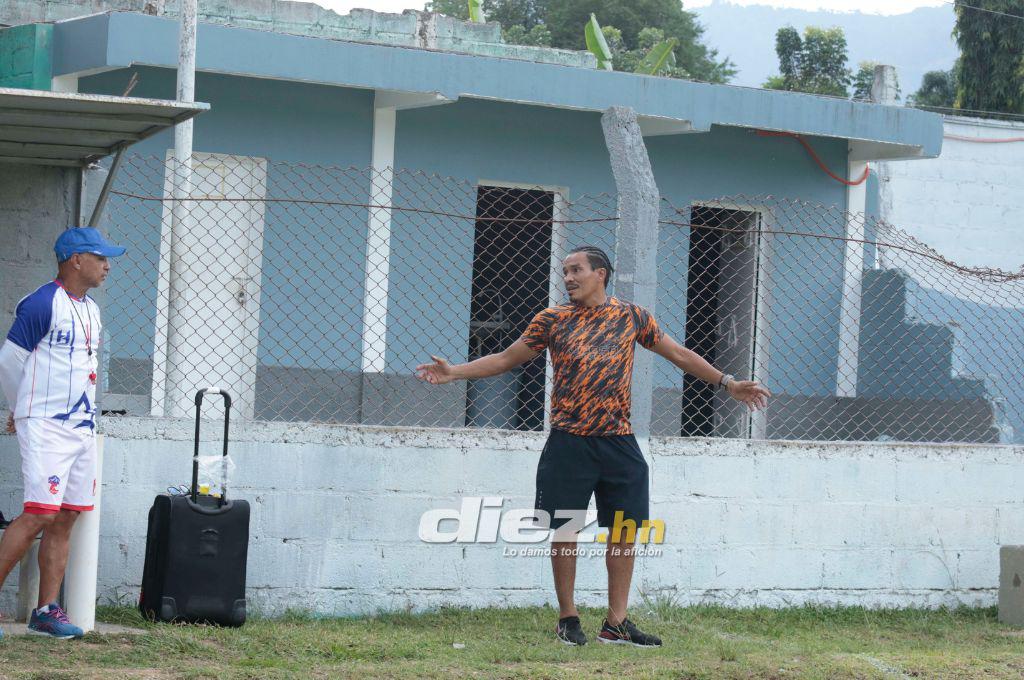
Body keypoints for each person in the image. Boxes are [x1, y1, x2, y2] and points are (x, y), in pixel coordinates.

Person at [416, 245, 770, 647]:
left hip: (619, 442)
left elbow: (679, 355)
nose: (568, 278)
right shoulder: (551, 320)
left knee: (625, 531)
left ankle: (616, 623)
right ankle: (568, 618)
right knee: (565, 529)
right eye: (565, 271)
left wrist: (728, 383)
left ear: (600, 273)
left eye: (576, 270)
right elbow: (505, 359)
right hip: (569, 442)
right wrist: (454, 373)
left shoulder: (632, 317)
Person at [0, 227, 126, 640]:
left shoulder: (90, 308)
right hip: (47, 425)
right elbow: (10, 362)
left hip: (82, 426)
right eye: (100, 257)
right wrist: (22, 409)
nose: (108, 265)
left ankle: (47, 611)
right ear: (75, 260)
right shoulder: (41, 303)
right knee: (40, 512)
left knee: (68, 515)